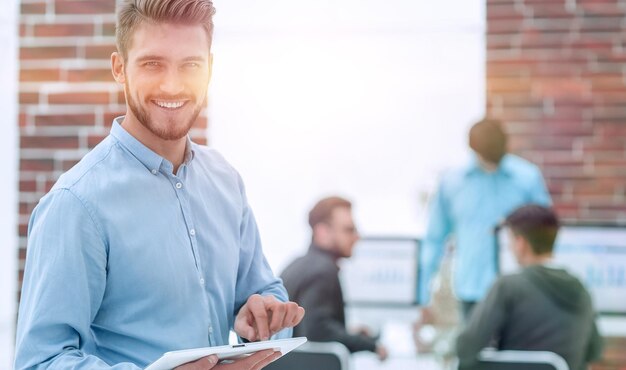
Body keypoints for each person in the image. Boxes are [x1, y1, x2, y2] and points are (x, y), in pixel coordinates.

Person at [14, 1, 304, 369]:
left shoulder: (226, 181)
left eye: (190, 65)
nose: (173, 84)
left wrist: (264, 316)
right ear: (120, 68)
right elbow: (41, 361)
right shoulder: (76, 203)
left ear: (210, 69)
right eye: (153, 64)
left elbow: (263, 290)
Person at [420, 118, 552, 318]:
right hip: (472, 290)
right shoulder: (452, 183)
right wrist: (423, 294)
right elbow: (434, 239)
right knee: (472, 348)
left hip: (520, 291)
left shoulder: (527, 178)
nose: (494, 163)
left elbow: (546, 234)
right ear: (474, 149)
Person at [456, 205, 603, 370]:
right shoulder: (581, 289)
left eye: (510, 240)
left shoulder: (508, 286)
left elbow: (466, 347)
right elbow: (594, 351)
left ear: (520, 243)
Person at [280, 197, 388, 360]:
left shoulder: (296, 265)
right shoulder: (323, 270)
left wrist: (350, 334)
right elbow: (318, 332)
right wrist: (371, 346)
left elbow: (306, 326)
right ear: (322, 232)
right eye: (349, 230)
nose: (357, 237)